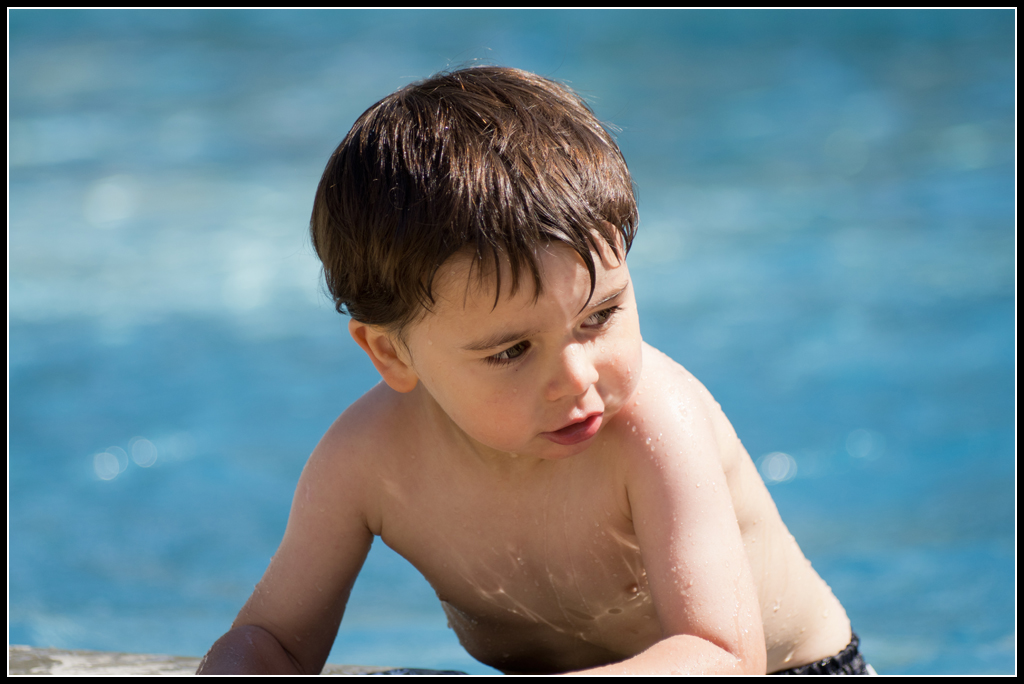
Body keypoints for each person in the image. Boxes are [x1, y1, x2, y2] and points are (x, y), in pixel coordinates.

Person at [198, 66, 869, 675]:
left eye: (600, 316)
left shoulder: (656, 427)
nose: (577, 377)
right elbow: (274, 642)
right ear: (392, 354)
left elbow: (722, 656)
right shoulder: (368, 461)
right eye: (511, 351)